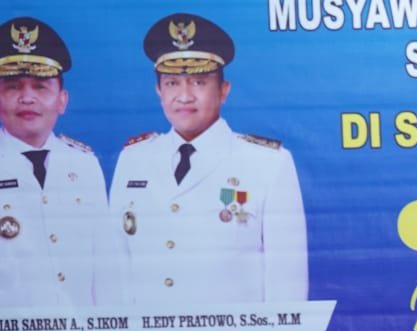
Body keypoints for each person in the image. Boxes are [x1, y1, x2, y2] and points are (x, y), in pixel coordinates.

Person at [108, 13, 307, 303]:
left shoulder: (268, 164)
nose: (184, 96)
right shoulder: (133, 159)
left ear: (223, 91)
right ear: (158, 91)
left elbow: (287, 281)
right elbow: (116, 268)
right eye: (172, 83)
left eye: (198, 82)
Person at [0, 16, 118, 307]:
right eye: (13, 87)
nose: (27, 98)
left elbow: (105, 264)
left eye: (41, 87)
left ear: (62, 100)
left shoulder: (84, 163)